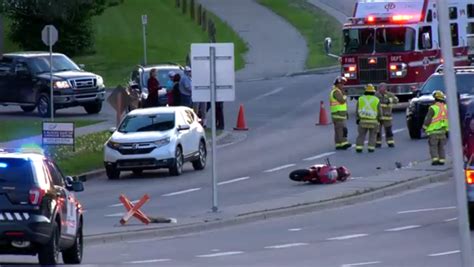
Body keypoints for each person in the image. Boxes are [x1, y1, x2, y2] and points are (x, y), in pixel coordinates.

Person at [423, 90, 448, 165]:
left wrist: (424, 127)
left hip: (433, 131)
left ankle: (435, 160)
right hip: (443, 131)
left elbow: (428, 119)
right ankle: (442, 160)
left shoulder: (433, 108)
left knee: (433, 146)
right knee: (441, 146)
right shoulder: (445, 107)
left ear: (435, 99)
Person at [355, 84, 381, 153]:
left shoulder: (360, 99)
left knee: (361, 135)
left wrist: (357, 118)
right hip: (373, 121)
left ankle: (359, 148)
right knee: (373, 135)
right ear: (373, 92)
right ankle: (371, 148)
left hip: (362, 121)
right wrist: (379, 119)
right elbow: (379, 112)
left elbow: (357, 110)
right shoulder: (376, 100)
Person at [330, 76, 351, 150]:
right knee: (342, 129)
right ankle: (344, 143)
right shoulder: (336, 92)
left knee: (338, 130)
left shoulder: (337, 91)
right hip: (338, 114)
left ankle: (338, 144)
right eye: (341, 84)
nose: (343, 86)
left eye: (343, 84)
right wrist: (345, 95)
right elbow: (342, 101)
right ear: (337, 84)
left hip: (339, 114)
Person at [375, 83, 399, 148]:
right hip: (378, 117)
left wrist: (390, 100)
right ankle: (378, 143)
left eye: (383, 88)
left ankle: (390, 142)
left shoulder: (390, 95)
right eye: (380, 88)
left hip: (387, 116)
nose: (381, 89)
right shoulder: (375, 95)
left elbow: (396, 100)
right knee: (377, 131)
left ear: (385, 88)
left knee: (388, 130)